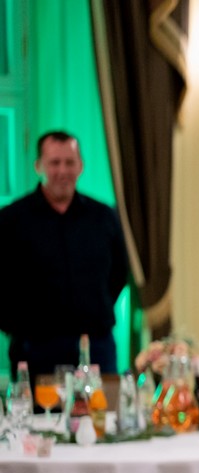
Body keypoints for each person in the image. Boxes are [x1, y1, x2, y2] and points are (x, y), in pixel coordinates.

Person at [0, 131, 128, 381]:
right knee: (38, 408)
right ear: (39, 166)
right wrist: (16, 326)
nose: (62, 171)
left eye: (69, 162)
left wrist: (95, 306)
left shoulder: (104, 217)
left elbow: (119, 273)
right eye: (54, 163)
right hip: (35, 348)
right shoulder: (11, 220)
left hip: (96, 345)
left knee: (104, 407)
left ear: (80, 166)